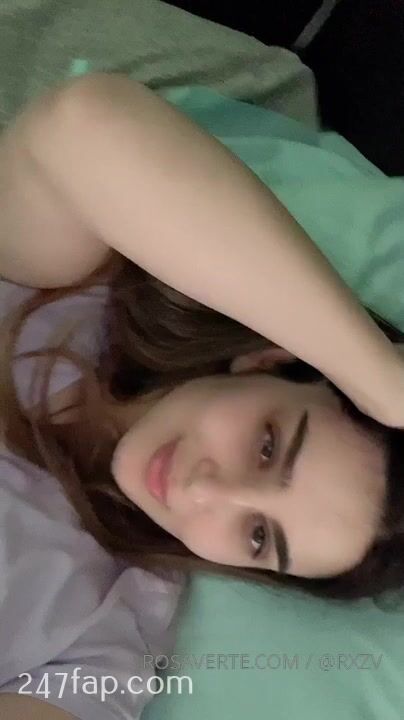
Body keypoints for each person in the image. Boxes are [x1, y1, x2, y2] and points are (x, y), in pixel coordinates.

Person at [0, 73, 404, 720]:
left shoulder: (104, 638)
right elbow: (83, 123)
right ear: (270, 359)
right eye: (267, 447)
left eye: (257, 537)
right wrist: (384, 381)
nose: (205, 490)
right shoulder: (70, 287)